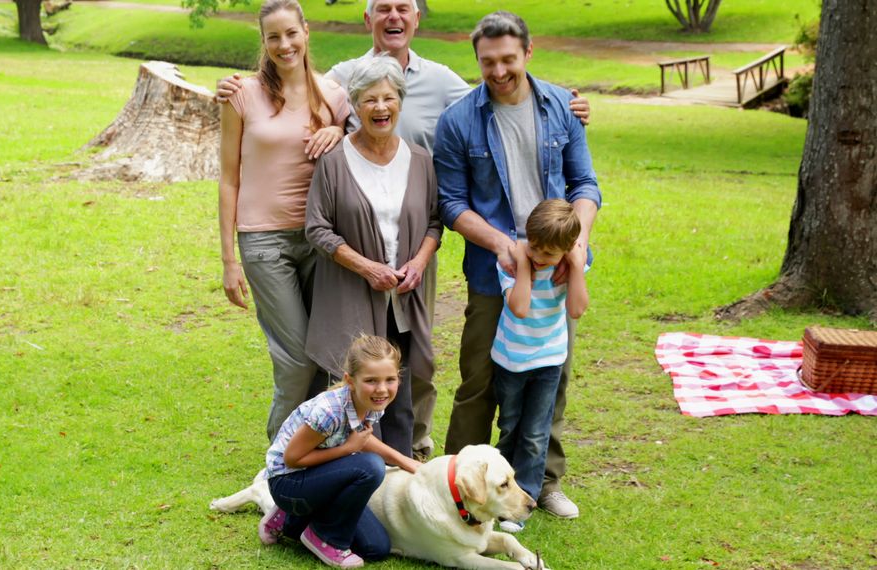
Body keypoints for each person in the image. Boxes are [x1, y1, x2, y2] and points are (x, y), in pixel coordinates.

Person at [217, 0, 592, 461]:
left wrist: (566, 101)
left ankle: (417, 449)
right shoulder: (339, 78)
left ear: (416, 18)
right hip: (316, 240)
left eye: (403, 8)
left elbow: (493, 103)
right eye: (382, 8)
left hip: (428, 248)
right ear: (367, 19)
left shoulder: (437, 87)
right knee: (326, 359)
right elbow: (303, 96)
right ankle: (296, 461)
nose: (380, 105)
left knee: (432, 360)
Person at [434, 11, 601, 519]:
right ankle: (456, 483)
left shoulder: (562, 107)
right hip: (494, 273)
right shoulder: (459, 120)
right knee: (480, 380)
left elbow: (585, 185)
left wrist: (576, 243)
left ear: (528, 52)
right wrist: (501, 244)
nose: (499, 70)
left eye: (509, 59)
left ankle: (541, 483)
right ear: (477, 60)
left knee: (552, 378)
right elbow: (451, 203)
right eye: (488, 62)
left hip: (558, 271)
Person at [218, 0, 351, 442]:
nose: (284, 44)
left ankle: (310, 456)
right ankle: (279, 460)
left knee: (321, 353)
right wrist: (228, 260)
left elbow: (365, 151)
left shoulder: (333, 95)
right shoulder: (241, 95)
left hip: (319, 238)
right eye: (273, 36)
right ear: (264, 41)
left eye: (291, 33)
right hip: (263, 242)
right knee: (296, 357)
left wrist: (340, 132)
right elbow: (229, 179)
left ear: (306, 32)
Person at [304, 56, 442, 458]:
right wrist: (365, 267)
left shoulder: (420, 160)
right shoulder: (333, 162)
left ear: (400, 101)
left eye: (388, 98)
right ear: (355, 105)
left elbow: (435, 222)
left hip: (404, 294)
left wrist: (418, 262)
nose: (380, 108)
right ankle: (352, 473)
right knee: (354, 392)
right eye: (369, 100)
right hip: (351, 291)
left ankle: (398, 477)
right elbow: (317, 228)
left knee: (401, 389)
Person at [258, 334, 420, 568]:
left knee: (376, 548)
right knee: (371, 467)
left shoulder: (372, 402)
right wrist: (347, 449)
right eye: (371, 380)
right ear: (350, 381)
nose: (382, 389)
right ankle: (325, 537)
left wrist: (404, 460)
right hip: (288, 482)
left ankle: (290, 521)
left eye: (390, 379)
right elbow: (292, 458)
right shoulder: (329, 412)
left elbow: (362, 437)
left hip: (318, 478)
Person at [491, 199, 589, 533]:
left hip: (548, 362)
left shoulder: (568, 266)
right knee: (510, 427)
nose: (539, 257)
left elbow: (576, 309)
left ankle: (524, 502)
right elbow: (518, 307)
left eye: (549, 254)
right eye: (534, 247)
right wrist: (524, 265)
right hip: (510, 362)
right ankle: (500, 496)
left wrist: (576, 266)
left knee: (535, 434)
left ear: (567, 250)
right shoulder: (511, 262)